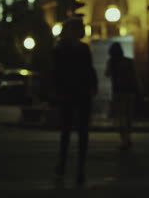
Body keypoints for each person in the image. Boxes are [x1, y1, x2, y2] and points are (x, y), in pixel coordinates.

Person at [52, 18, 97, 186]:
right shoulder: (67, 49)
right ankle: (71, 167)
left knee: (74, 131)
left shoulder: (64, 49)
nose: (81, 31)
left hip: (75, 93)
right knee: (73, 132)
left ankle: (71, 167)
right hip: (75, 93)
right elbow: (58, 72)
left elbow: (57, 73)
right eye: (79, 28)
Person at [105, 42, 137, 150]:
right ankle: (128, 139)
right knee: (128, 116)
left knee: (120, 116)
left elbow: (107, 74)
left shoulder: (112, 62)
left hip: (118, 92)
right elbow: (135, 76)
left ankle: (124, 140)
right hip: (130, 91)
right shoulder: (129, 61)